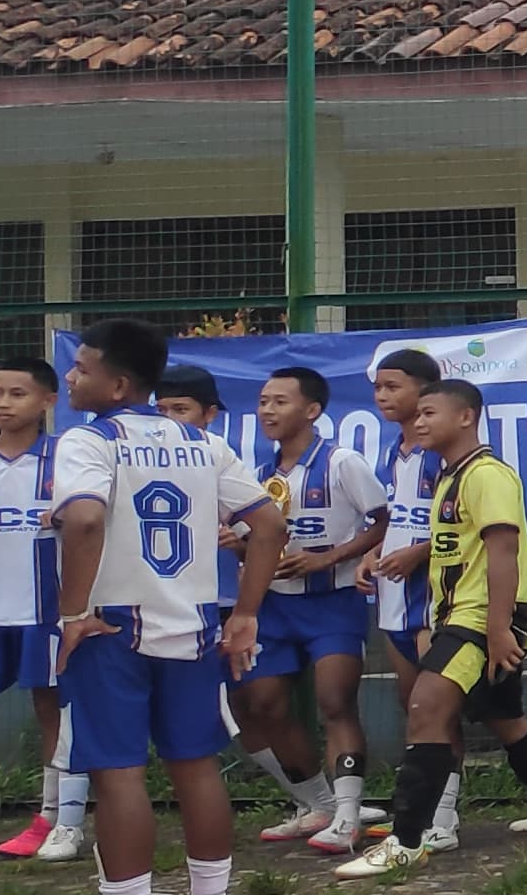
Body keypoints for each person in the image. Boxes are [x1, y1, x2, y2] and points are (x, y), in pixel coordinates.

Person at [39, 319, 282, 895]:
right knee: (195, 762)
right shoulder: (200, 442)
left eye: (81, 368)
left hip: (111, 623)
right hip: (196, 619)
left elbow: (87, 518)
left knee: (117, 769)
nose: (70, 377)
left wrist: (73, 613)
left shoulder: (87, 441)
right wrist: (248, 613)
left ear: (116, 383)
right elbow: (269, 522)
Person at [345, 379, 527, 875]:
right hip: (463, 617)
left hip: (481, 618)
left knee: (425, 705)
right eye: (415, 415)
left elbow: (503, 552)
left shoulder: (486, 475)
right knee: (506, 719)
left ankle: (407, 841)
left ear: (466, 417)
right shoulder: (449, 477)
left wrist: (499, 628)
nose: (418, 422)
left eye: (429, 413)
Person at [152, 365, 335, 844]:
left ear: (210, 415)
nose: (169, 421)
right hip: (161, 607)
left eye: (181, 410)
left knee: (256, 704)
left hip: (224, 606)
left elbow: (267, 530)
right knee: (236, 711)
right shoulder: (137, 462)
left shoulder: (217, 459)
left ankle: (329, 804)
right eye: (161, 411)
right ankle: (313, 800)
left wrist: (240, 576)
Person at [240, 365, 386, 860]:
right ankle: (318, 804)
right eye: (262, 401)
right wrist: (239, 546)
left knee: (334, 701)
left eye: (279, 401)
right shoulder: (260, 474)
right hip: (277, 606)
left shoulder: (342, 462)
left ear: (312, 410)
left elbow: (383, 523)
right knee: (263, 704)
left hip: (333, 602)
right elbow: (258, 540)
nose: (266, 410)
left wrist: (330, 556)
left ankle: (348, 816)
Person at [356, 346, 460, 856]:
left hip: (433, 595)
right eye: (378, 387)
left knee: (435, 706)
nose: (382, 396)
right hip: (394, 594)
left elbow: (461, 524)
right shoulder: (393, 451)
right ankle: (419, 811)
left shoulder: (445, 451)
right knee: (409, 700)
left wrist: (418, 553)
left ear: (426, 391)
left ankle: (444, 816)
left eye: (393, 386)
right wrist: (373, 552)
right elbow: (397, 518)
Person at [0, 351, 81, 865]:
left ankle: (52, 818)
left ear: (48, 401)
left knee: (52, 712)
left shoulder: (65, 462)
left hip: (41, 612)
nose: (4, 403)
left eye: (17, 393)